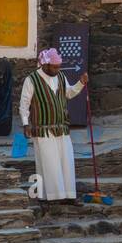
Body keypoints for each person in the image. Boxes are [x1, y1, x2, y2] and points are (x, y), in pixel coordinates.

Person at [19, 48, 88, 203]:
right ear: (45, 65)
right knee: (49, 163)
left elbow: (69, 93)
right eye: (54, 67)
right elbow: (24, 104)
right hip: (42, 130)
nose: (58, 69)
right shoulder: (32, 79)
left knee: (66, 161)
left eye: (59, 67)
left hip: (61, 127)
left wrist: (81, 83)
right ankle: (50, 197)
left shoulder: (61, 76)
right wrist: (25, 124)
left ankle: (68, 195)